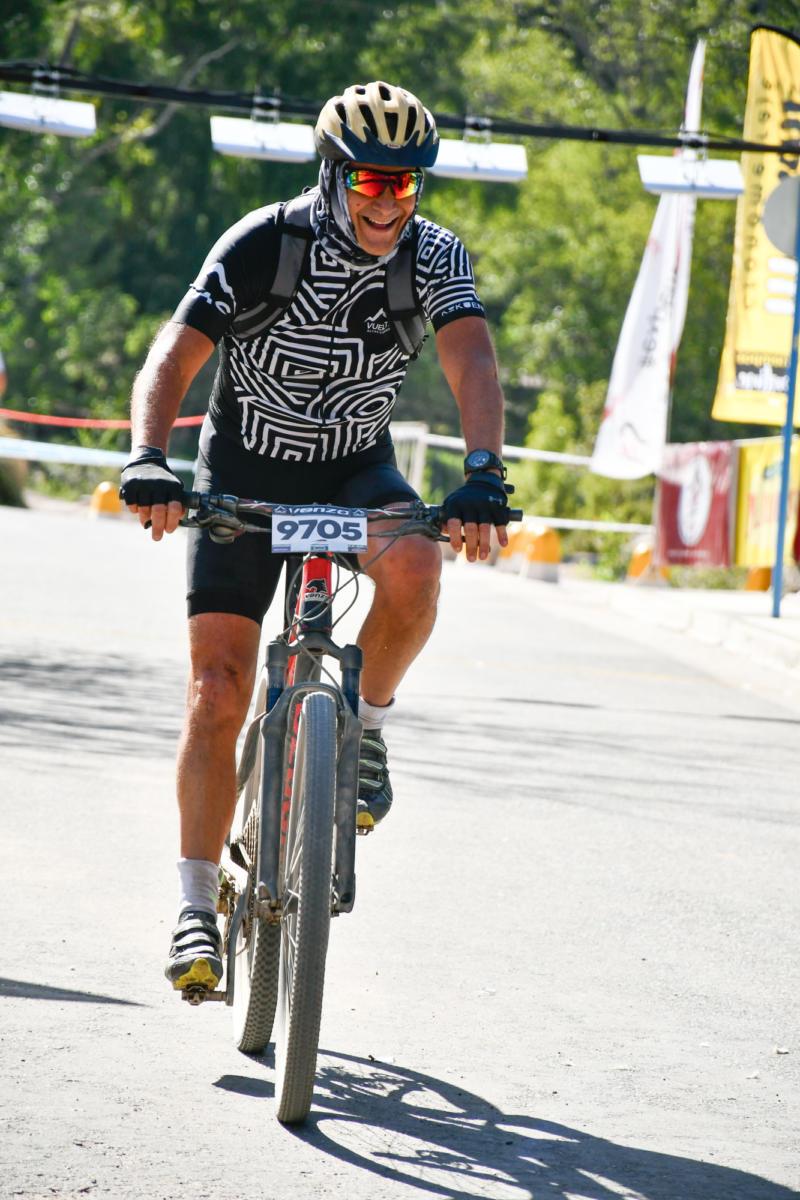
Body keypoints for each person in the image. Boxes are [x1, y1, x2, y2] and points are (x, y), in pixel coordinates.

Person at [119, 81, 512, 995]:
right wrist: (147, 457)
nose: (388, 202)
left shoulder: (433, 256)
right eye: (371, 180)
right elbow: (175, 354)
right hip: (243, 470)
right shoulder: (264, 243)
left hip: (352, 468)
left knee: (416, 562)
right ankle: (193, 905)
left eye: (405, 184)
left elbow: (471, 358)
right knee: (218, 689)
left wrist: (484, 473)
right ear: (333, 175)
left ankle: (363, 728)